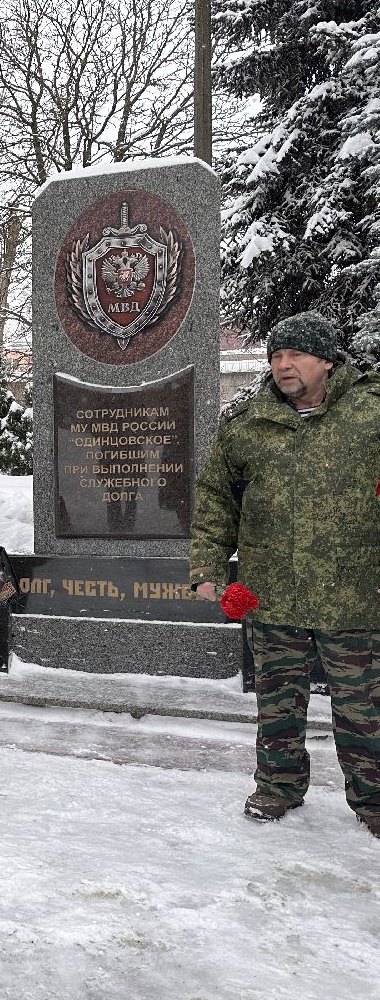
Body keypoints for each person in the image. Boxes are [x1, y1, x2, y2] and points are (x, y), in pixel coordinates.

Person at [191, 312, 380, 837]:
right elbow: (215, 499)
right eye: (276, 355)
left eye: (296, 354)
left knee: (363, 707)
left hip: (354, 594)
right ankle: (278, 786)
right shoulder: (247, 422)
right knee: (276, 702)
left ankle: (373, 798)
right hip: (272, 592)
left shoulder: (371, 411)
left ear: (327, 360)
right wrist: (208, 566)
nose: (284, 364)